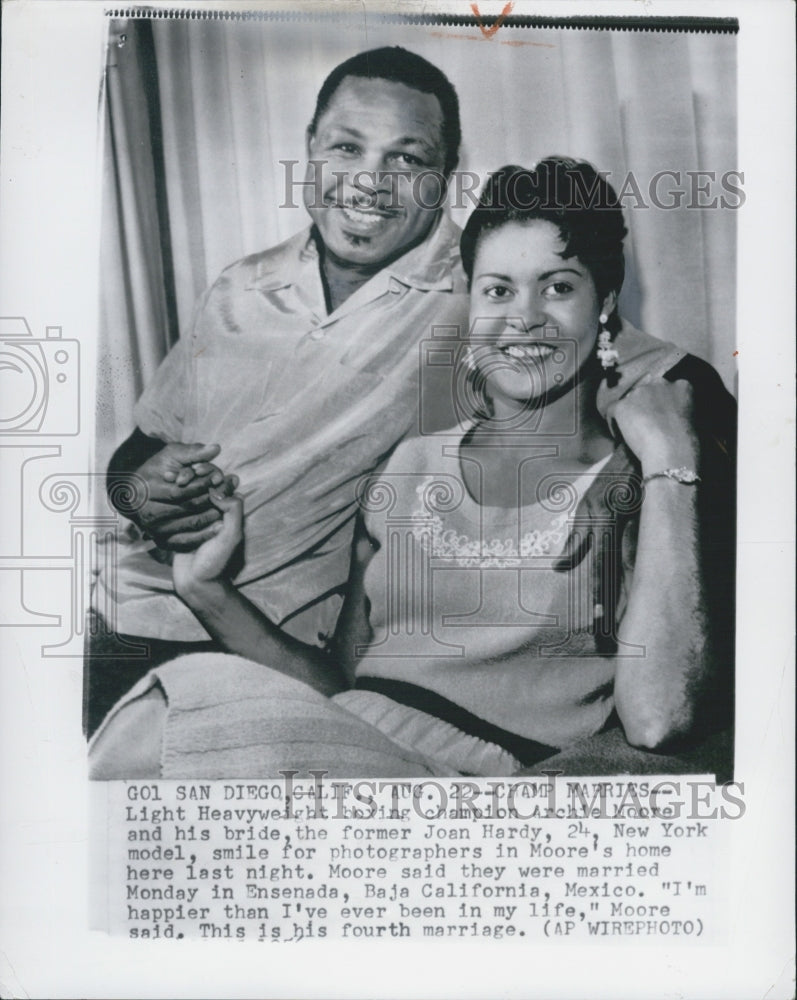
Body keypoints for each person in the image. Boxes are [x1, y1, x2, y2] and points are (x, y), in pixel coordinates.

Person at [89, 158, 735, 780]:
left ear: (603, 305)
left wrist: (671, 461)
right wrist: (206, 588)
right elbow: (343, 686)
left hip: (461, 787)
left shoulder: (642, 484)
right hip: (347, 744)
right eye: (497, 290)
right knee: (171, 709)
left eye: (558, 286)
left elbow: (658, 721)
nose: (524, 317)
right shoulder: (409, 465)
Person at [86, 46, 470, 735]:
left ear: (444, 176)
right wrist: (144, 491)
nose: (368, 184)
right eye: (346, 148)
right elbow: (137, 455)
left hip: (258, 651)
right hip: (115, 612)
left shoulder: (481, 295)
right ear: (309, 151)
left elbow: (625, 355)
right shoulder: (241, 283)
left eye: (406, 159)